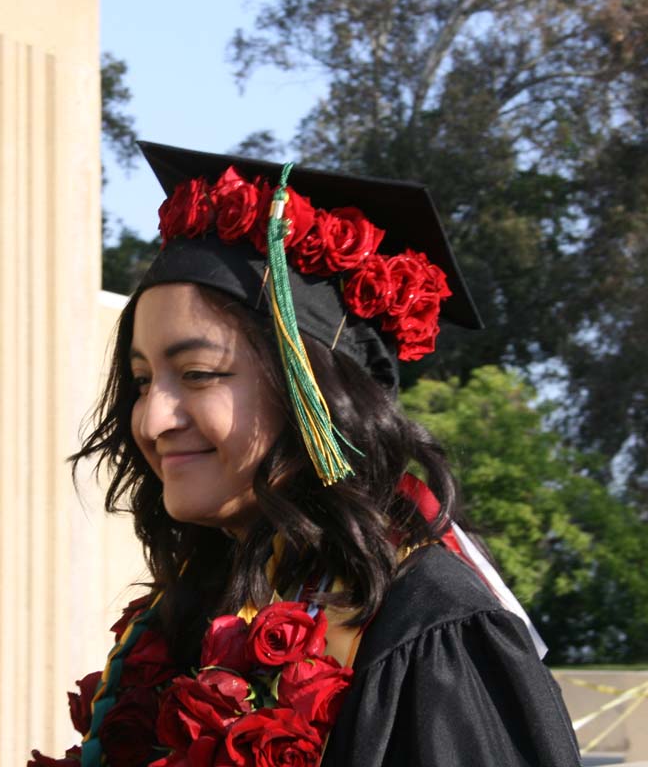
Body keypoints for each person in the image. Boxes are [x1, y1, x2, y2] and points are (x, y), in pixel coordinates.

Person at [28, 143, 581, 767]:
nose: (154, 420)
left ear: (315, 392)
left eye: (199, 374)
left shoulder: (429, 630)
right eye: (141, 381)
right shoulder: (186, 613)